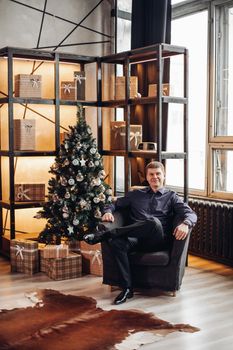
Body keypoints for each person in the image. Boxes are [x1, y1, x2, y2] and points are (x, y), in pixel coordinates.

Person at [83, 161, 197, 305]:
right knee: (117, 242)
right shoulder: (136, 194)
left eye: (158, 174)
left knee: (152, 222)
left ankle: (105, 235)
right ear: (147, 177)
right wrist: (107, 212)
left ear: (164, 176)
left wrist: (186, 224)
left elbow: (191, 214)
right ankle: (126, 289)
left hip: (156, 241)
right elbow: (113, 203)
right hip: (135, 239)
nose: (155, 177)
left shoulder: (171, 196)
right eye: (151, 174)